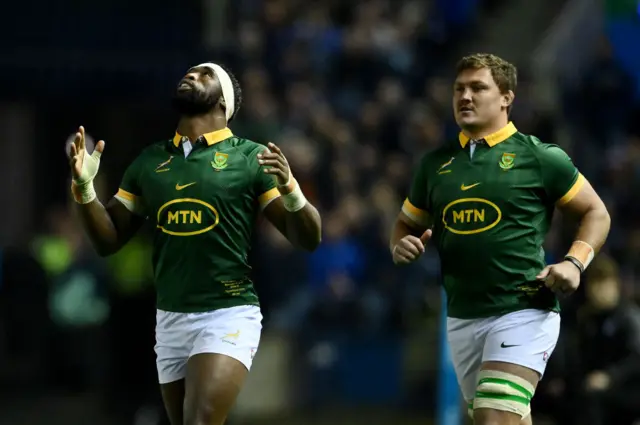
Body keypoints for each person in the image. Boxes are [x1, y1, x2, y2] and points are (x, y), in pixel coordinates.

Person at [68, 62, 322, 425]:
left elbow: (308, 238)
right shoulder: (149, 161)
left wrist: (292, 191)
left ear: (224, 103)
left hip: (227, 314)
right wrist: (85, 189)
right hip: (170, 318)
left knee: (200, 419)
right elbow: (108, 239)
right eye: (189, 73)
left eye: (205, 75)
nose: (190, 76)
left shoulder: (250, 157)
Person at [389, 53, 611, 425]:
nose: (465, 97)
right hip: (462, 316)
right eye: (459, 89)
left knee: (494, 418)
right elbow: (404, 225)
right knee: (504, 419)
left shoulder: (539, 157)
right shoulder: (435, 165)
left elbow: (596, 212)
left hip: (522, 309)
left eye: (478, 88)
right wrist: (401, 245)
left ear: (506, 97)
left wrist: (574, 263)